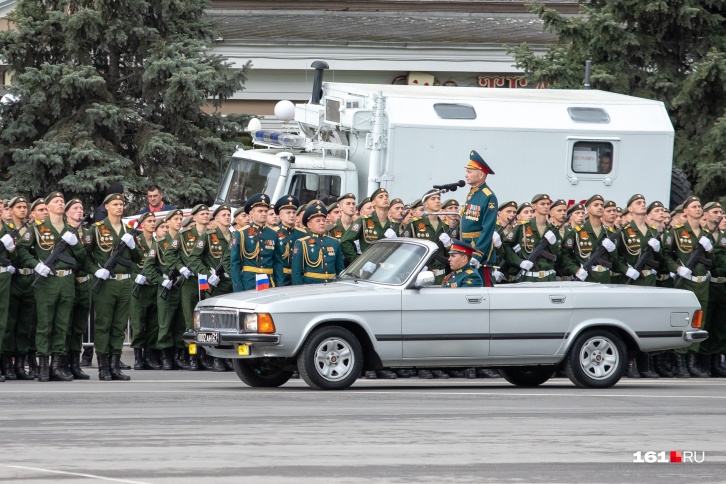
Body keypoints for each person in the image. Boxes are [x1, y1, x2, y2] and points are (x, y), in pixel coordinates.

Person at [16, 192, 92, 382]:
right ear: (47, 207)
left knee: (62, 325)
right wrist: (36, 265)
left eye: (62, 201)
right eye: (56, 201)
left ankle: (56, 366)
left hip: (66, 281)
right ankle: (43, 366)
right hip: (46, 282)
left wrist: (75, 244)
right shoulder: (38, 228)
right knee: (44, 324)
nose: (60, 203)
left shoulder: (70, 229)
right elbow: (21, 249)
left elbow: (81, 258)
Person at [86, 193, 141, 381]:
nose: (119, 207)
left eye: (121, 204)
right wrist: (95, 271)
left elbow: (139, 258)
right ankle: (103, 366)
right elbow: (85, 257)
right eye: (115, 204)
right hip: (106, 282)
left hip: (124, 282)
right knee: (103, 325)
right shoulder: (97, 229)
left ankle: (115, 365)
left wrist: (133, 245)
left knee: (119, 326)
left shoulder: (129, 229)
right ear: (106, 207)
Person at [662, 196, 713, 378]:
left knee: (700, 322)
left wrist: (709, 250)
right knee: (685, 321)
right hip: (686, 281)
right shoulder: (676, 232)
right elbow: (666, 256)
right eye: (694, 206)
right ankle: (680, 362)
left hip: (702, 283)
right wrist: (677, 268)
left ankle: (692, 362)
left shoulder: (706, 233)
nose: (698, 209)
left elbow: (712, 261)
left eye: (700, 206)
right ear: (685, 211)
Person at [616, 194, 662, 378]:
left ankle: (646, 363)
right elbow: (616, 258)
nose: (642, 205)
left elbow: (661, 260)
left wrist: (658, 251)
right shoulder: (624, 231)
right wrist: (626, 270)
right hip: (633, 281)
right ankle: (631, 363)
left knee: (649, 321)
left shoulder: (653, 231)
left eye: (643, 203)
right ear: (630, 209)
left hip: (649, 281)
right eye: (638, 203)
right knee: (632, 321)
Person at [187, 204, 234, 372]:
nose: (227, 217)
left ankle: (229, 357)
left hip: (233, 285)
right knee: (216, 324)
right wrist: (208, 274)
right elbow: (194, 258)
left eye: (229, 214)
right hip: (217, 285)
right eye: (223, 215)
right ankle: (216, 358)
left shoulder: (235, 236)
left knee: (231, 324)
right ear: (216, 219)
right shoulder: (209, 236)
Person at [142, 209, 186, 370]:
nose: (179, 221)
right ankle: (165, 356)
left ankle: (177, 356)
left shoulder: (185, 241)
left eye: (181, 219)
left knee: (180, 324)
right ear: (167, 222)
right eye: (175, 219)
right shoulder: (160, 243)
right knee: (165, 324)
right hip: (167, 289)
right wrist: (161, 281)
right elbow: (148, 268)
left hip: (182, 287)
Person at [2, 197, 35, 380]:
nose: (22, 210)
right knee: (10, 323)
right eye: (19, 207)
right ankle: (7, 365)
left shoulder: (31, 230)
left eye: (24, 207)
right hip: (13, 279)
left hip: (29, 278)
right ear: (11, 209)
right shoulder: (7, 230)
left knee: (25, 324)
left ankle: (21, 365)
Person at [63, 198, 93, 380]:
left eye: (81, 208)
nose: (79, 211)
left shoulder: (88, 233)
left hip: (85, 283)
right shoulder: (64, 232)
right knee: (66, 325)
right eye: (75, 208)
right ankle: (64, 362)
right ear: (67, 213)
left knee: (79, 326)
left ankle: (75, 364)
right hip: (69, 282)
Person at [460, 149, 498, 286]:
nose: (466, 175)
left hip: (478, 250)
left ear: (481, 174)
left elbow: (488, 229)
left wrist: (477, 254)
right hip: (466, 247)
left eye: (469, 172)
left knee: (483, 287)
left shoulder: (488, 196)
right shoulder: (472, 193)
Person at [561, 195, 618, 284]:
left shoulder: (608, 233)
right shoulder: (576, 232)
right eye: (596, 205)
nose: (600, 207)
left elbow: (614, 259)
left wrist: (612, 250)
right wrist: (576, 270)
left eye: (601, 205)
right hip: (586, 277)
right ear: (588, 209)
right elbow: (565, 255)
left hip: (605, 278)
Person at [129, 212, 161, 371]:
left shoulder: (157, 242)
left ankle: (149, 356)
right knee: (139, 323)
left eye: (154, 221)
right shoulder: (136, 241)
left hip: (154, 286)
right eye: (149, 221)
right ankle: (138, 357)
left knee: (153, 324)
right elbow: (129, 263)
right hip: (140, 289)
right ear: (142, 224)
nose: (153, 223)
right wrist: (135, 276)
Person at [504, 194, 559, 282]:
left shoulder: (553, 228)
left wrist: (553, 244)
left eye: (548, 204)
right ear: (534, 206)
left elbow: (558, 255)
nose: (546, 206)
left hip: (548, 277)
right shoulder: (522, 227)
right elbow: (506, 246)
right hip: (529, 277)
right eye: (542, 204)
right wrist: (519, 262)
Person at [230, 194, 277, 291]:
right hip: (249, 281)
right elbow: (235, 263)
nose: (264, 214)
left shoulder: (273, 234)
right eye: (260, 211)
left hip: (268, 281)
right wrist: (237, 288)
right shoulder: (242, 233)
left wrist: (279, 284)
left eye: (265, 211)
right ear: (251, 214)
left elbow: (277, 262)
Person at [700, 202, 726, 377]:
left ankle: (716, 362)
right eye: (715, 212)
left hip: (723, 286)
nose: (719, 215)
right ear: (706, 215)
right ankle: (703, 361)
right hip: (709, 284)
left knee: (720, 326)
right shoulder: (702, 236)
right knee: (706, 324)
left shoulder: (723, 236)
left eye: (721, 212)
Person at [291, 202, 344, 285]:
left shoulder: (334, 242)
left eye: (324, 220)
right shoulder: (302, 243)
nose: (322, 223)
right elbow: (296, 272)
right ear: (309, 225)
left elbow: (340, 270)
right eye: (318, 221)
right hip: (311, 287)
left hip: (331, 286)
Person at [340, 188, 394, 266]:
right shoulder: (363, 221)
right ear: (374, 203)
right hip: (368, 267)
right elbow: (345, 242)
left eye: (387, 196)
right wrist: (359, 262)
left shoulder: (392, 225)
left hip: (386, 267)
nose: (385, 198)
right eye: (381, 196)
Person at [408, 189, 452, 283]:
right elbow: (408, 250)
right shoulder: (415, 224)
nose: (437, 201)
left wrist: (448, 246)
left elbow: (450, 254)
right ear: (425, 204)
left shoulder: (445, 226)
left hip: (441, 277)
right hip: (421, 275)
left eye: (438, 198)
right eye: (433, 199)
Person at [271, 195, 304, 287]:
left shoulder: (303, 234)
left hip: (298, 278)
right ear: (281, 216)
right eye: (288, 213)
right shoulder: (273, 233)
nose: (292, 215)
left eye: (294, 212)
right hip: (278, 277)